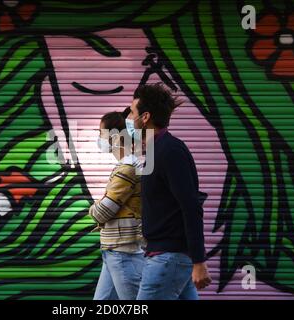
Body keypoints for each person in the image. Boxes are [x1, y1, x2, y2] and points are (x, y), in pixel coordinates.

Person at [126, 83, 212, 300]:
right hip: (167, 256)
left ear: (145, 117)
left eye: (132, 112)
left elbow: (191, 206)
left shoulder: (170, 151)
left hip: (168, 259)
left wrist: (199, 261)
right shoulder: (156, 150)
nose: (129, 118)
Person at [90, 108, 145, 300]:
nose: (98, 137)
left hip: (123, 253)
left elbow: (102, 212)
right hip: (114, 251)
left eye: (100, 133)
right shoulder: (126, 166)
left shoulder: (127, 169)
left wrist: (93, 208)